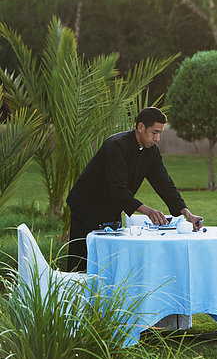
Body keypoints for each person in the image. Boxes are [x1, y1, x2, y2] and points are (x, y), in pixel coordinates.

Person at [66, 107, 202, 271]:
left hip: (111, 208)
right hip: (86, 206)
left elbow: (165, 184)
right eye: (154, 132)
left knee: (108, 264)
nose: (158, 138)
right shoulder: (116, 145)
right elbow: (118, 189)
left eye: (160, 133)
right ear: (141, 127)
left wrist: (187, 214)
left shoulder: (151, 152)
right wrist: (149, 211)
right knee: (82, 263)